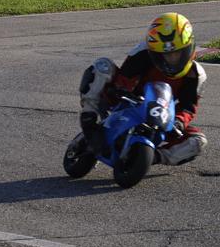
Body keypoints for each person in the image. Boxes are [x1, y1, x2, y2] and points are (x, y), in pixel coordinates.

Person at [77, 12, 208, 165]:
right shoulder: (142, 53)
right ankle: (89, 122)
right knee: (102, 66)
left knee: (198, 140)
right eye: (165, 55)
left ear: (189, 48)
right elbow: (124, 78)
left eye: (177, 54)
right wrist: (118, 90)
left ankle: (154, 157)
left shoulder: (196, 75)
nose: (171, 60)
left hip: (160, 116)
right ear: (154, 52)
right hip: (127, 101)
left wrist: (178, 122)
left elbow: (187, 108)